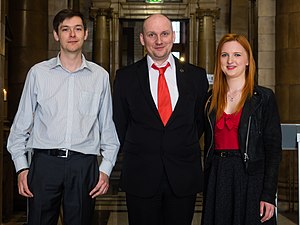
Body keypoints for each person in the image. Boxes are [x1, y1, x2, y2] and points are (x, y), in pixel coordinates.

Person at [7, 9, 120, 225]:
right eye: (65, 29)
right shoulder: (38, 73)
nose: (72, 35)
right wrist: (21, 167)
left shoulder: (100, 77)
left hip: (83, 165)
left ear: (86, 34)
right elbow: (20, 125)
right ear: (56, 35)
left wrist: (105, 170)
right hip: (44, 165)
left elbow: (107, 128)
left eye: (78, 29)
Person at [112, 14, 209, 225]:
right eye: (151, 35)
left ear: (173, 36)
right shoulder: (125, 77)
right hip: (141, 176)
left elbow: (199, 123)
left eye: (164, 34)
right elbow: (120, 123)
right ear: (142, 39)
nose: (158, 40)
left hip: (183, 177)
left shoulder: (196, 77)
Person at [202, 33, 282, 225]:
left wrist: (269, 194)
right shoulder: (209, 99)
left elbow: (273, 150)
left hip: (251, 178)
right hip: (218, 177)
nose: (230, 60)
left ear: (248, 60)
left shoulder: (263, 98)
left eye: (237, 55)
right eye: (224, 55)